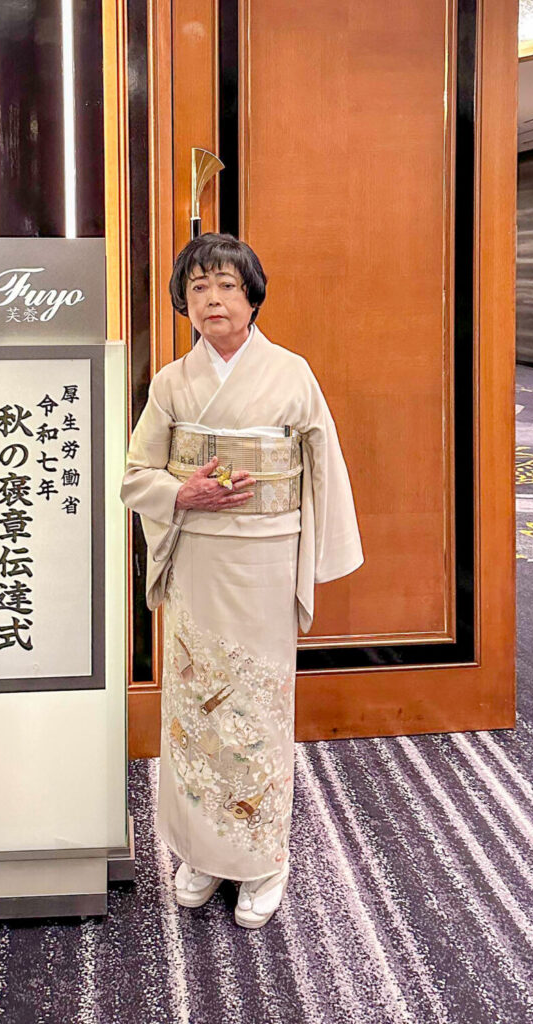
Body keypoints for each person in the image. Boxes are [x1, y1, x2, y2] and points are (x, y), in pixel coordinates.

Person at [120, 233, 363, 928]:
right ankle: (201, 853)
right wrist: (181, 493)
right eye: (198, 288)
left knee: (256, 707)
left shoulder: (292, 374)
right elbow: (134, 476)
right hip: (198, 558)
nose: (213, 299)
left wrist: (320, 556)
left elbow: (323, 467)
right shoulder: (171, 383)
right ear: (184, 303)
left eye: (227, 285)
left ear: (252, 296)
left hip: (265, 560)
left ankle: (262, 860)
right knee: (196, 706)